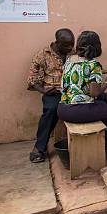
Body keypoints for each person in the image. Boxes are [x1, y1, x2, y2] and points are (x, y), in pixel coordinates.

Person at [57, 31, 107, 159]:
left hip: (62, 109)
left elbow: (81, 74)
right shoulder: (93, 64)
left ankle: (106, 142)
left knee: (103, 105)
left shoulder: (70, 60)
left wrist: (100, 72)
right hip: (77, 111)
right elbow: (95, 93)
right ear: (97, 46)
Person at [26, 29, 75, 163]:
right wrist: (44, 91)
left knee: (97, 101)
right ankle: (39, 148)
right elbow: (32, 80)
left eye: (72, 44)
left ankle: (103, 144)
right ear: (57, 42)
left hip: (73, 91)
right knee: (51, 110)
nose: (70, 48)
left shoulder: (73, 53)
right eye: (67, 45)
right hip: (53, 93)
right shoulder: (42, 55)